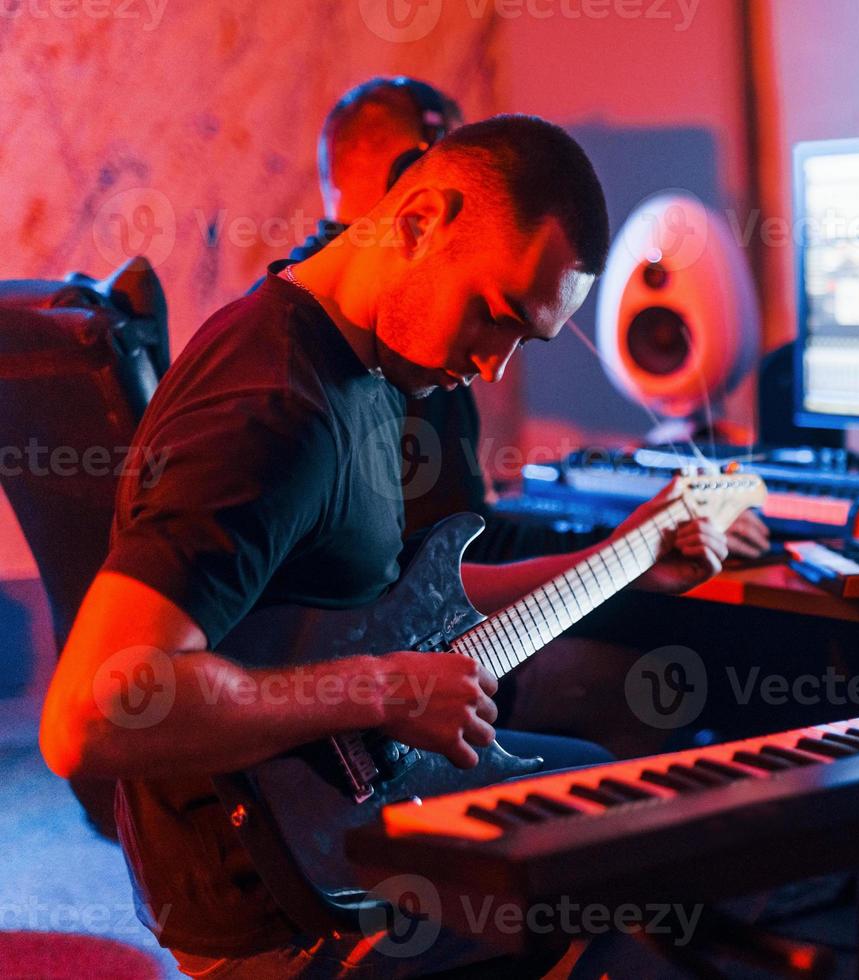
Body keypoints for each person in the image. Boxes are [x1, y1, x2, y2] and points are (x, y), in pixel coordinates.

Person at [39, 114, 729, 976]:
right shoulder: (272, 414)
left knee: (602, 794)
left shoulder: (353, 354)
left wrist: (621, 559)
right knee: (614, 857)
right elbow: (92, 714)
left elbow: (396, 605)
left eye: (525, 340)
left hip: (328, 816)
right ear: (417, 223)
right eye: (494, 316)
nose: (493, 368)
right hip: (274, 894)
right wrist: (382, 687)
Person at [285, 78, 769, 757]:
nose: (492, 366)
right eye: (492, 318)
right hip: (409, 694)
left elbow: (425, 562)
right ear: (421, 183)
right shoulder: (365, 347)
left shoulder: (353, 320)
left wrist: (617, 546)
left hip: (410, 663)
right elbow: (427, 585)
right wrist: (608, 548)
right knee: (672, 674)